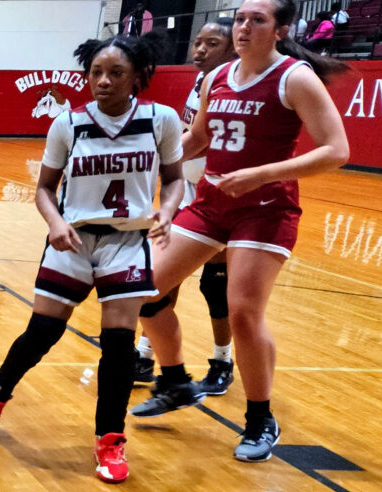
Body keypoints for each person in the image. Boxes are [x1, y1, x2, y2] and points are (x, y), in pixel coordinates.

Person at [130, 0, 349, 463]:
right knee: (142, 290)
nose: (244, 27)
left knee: (244, 312)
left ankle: (260, 418)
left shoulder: (295, 77)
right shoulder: (217, 77)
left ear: (281, 29)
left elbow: (336, 150)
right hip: (211, 204)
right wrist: (147, 164)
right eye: (242, 19)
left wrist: (262, 174)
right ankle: (174, 382)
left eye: (258, 20)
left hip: (265, 209)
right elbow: (198, 139)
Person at [0, 32, 184, 484]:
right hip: (73, 238)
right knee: (43, 332)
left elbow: (175, 179)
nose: (103, 82)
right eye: (96, 73)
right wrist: (54, 222)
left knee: (119, 346)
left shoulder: (160, 120)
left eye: (115, 73)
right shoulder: (68, 123)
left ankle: (110, 439)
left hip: (126, 241)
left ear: (137, 78)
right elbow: (44, 189)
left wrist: (167, 210)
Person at [135, 17, 238, 396]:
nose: (199, 50)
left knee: (216, 284)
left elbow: (206, 140)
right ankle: (146, 354)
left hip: (220, 192)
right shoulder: (203, 82)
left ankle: (222, 360)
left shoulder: (236, 86)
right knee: (162, 274)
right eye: (197, 42)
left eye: (211, 44)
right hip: (186, 187)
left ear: (231, 48)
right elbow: (188, 132)